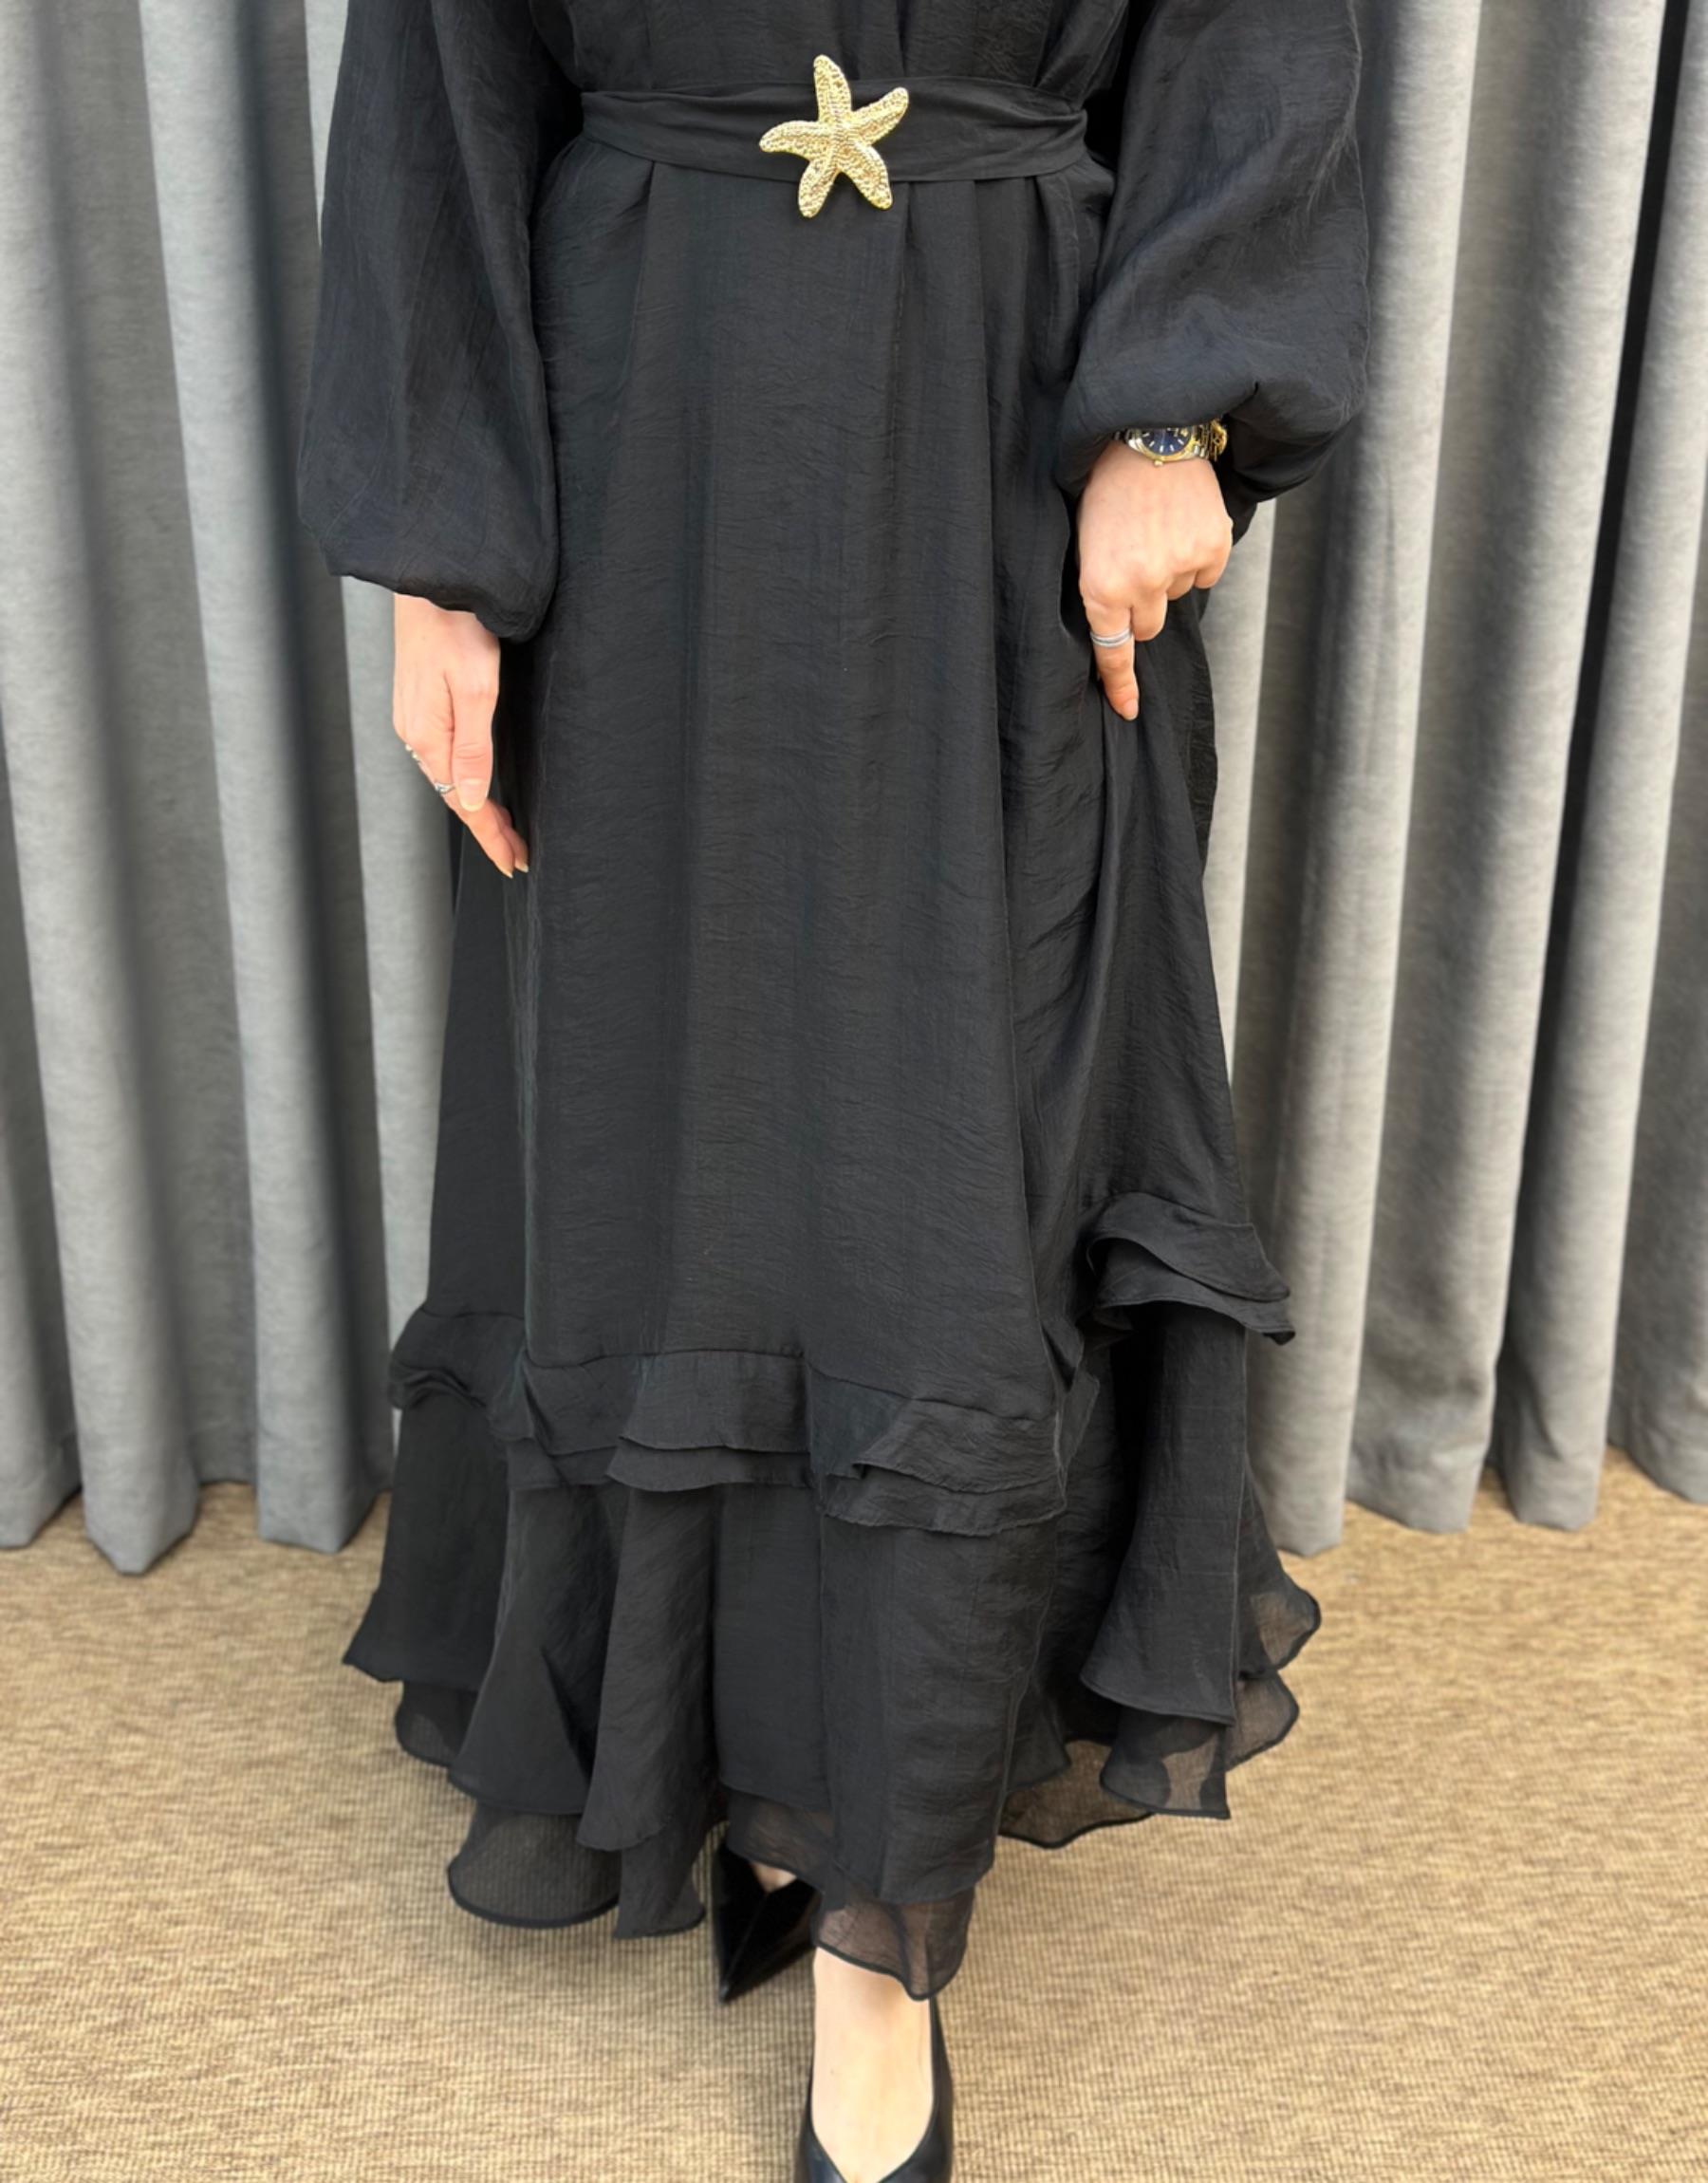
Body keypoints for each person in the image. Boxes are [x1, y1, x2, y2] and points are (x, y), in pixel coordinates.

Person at [298, 3, 1369, 2177]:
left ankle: (879, 1905)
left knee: (953, 1175)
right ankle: (699, 1746)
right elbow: (438, 72)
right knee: (662, 1149)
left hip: (1008, 419)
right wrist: (438, 548)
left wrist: (1178, 403)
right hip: (636, 429)